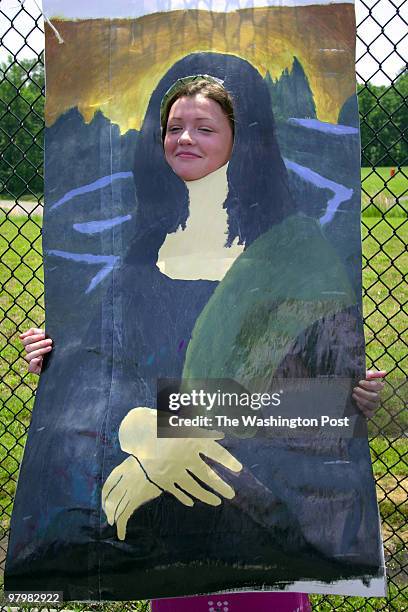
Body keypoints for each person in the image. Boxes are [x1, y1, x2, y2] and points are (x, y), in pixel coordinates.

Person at [19, 73, 385, 610]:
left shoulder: (297, 254)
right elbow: (102, 371)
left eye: (204, 128)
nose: (184, 139)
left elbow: (311, 403)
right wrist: (68, 372)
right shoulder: (142, 253)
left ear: (244, 139)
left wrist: (362, 397)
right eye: (173, 128)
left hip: (262, 529)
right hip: (164, 541)